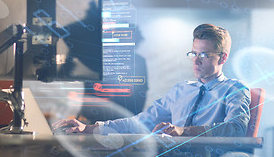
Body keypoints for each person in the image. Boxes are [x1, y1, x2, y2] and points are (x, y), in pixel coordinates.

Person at [52, 24, 251, 137]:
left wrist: (183, 131)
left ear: (223, 58)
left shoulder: (235, 89)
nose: (196, 61)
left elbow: (236, 128)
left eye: (204, 55)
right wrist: (88, 128)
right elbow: (142, 122)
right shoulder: (181, 90)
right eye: (193, 53)